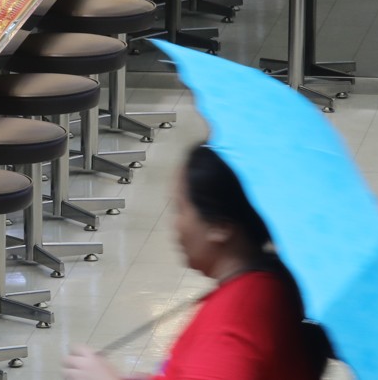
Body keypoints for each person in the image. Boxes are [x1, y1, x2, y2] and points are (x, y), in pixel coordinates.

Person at [63, 144, 328, 380]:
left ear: (220, 227)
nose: (176, 224)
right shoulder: (267, 285)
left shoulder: (231, 321)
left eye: (181, 209)